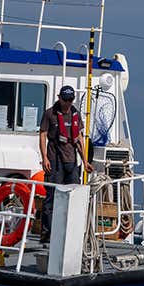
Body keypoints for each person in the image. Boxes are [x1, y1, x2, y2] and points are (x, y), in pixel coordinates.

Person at [38, 85, 89, 239]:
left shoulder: (75, 114)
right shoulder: (50, 114)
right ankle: (47, 233)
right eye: (65, 99)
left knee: (73, 196)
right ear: (59, 98)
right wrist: (45, 157)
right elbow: (43, 135)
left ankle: (71, 232)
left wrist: (85, 161)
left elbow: (79, 138)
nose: (67, 103)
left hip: (71, 162)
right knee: (51, 197)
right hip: (55, 160)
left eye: (70, 100)